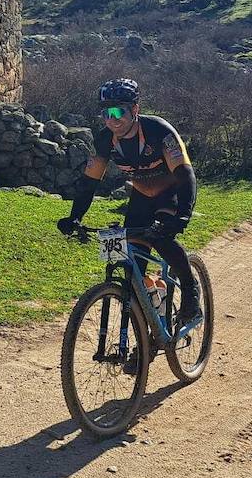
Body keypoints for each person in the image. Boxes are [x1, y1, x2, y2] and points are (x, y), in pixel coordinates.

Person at [56, 78, 202, 329]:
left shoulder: (159, 131)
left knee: (161, 237)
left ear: (135, 109)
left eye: (117, 112)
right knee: (131, 273)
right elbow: (89, 183)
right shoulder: (105, 140)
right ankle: (147, 334)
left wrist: (183, 216)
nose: (111, 119)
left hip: (172, 192)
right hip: (141, 197)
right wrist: (74, 217)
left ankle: (190, 290)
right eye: (105, 113)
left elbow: (185, 174)